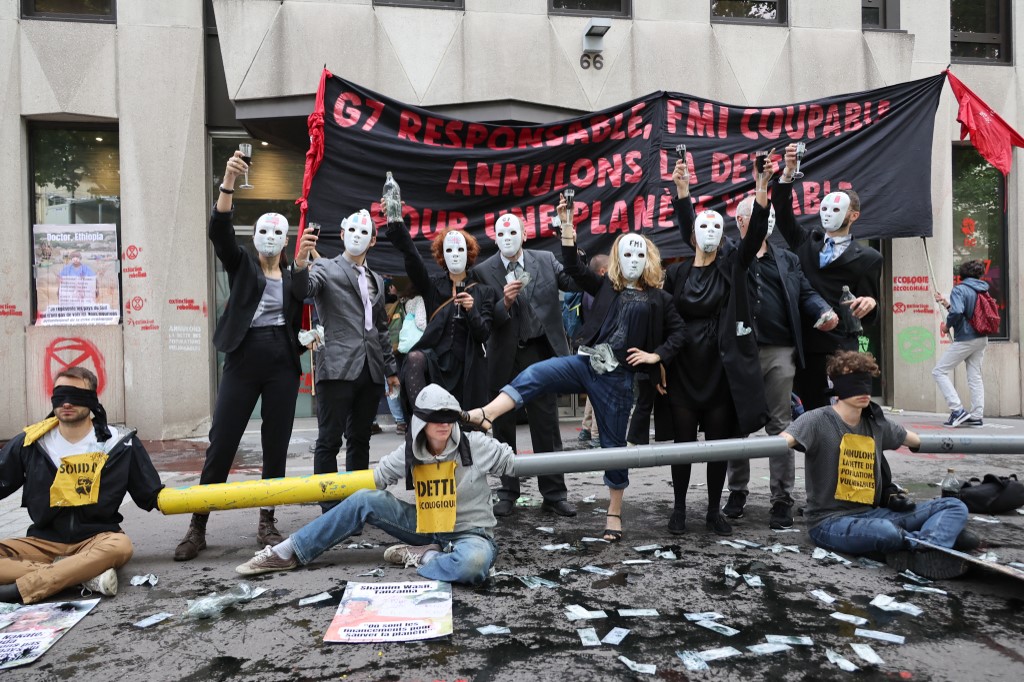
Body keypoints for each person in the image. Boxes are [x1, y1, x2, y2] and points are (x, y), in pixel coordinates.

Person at [463, 196, 685, 542]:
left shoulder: (659, 298)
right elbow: (576, 269)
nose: (632, 260)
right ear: (616, 258)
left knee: (612, 447)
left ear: (649, 259)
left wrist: (656, 356)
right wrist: (567, 227)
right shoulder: (606, 287)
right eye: (626, 253)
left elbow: (679, 333)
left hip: (617, 379)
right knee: (537, 374)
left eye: (639, 254)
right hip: (586, 361)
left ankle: (613, 513)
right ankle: (487, 414)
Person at [235, 384, 516, 586]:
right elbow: (378, 478)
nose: (444, 425)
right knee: (364, 499)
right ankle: (289, 551)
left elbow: (511, 462)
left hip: (470, 533)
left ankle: (427, 557)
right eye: (436, 417)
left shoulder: (476, 445)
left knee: (474, 564)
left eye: (449, 417)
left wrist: (506, 451)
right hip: (427, 524)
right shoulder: (409, 450)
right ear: (420, 421)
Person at [174, 153, 306, 561]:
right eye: (262, 231)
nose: (269, 237)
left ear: (285, 240)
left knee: (276, 443)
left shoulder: (292, 276)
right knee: (223, 441)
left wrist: (308, 335)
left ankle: (267, 520)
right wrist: (229, 181)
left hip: (283, 362)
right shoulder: (242, 265)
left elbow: (308, 303)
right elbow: (219, 232)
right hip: (243, 358)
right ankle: (198, 524)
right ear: (255, 239)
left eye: (276, 232)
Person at [781, 351, 971, 579]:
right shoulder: (816, 420)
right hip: (828, 522)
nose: (862, 390)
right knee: (886, 533)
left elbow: (917, 441)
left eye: (866, 380)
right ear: (838, 385)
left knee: (953, 505)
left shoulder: (877, 423)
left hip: (874, 514)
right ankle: (934, 541)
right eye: (854, 381)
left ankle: (925, 549)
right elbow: (782, 441)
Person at [662, 157, 771, 537]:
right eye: (701, 226)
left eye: (716, 226)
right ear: (692, 235)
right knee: (682, 444)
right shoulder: (676, 273)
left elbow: (754, 236)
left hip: (721, 368)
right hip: (683, 368)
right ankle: (678, 509)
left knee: (718, 445)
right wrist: (682, 192)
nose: (709, 232)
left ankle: (712, 510)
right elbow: (664, 318)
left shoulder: (733, 267)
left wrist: (761, 188)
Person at [721, 194, 837, 530]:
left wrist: (823, 311)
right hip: (741, 352)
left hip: (780, 350)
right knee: (736, 426)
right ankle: (737, 492)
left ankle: (781, 500)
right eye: (759, 217)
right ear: (742, 222)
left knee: (781, 427)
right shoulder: (730, 255)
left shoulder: (786, 259)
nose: (766, 223)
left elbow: (805, 293)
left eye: (770, 217)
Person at [0, 367, 164, 604]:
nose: (66, 402)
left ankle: (27, 587)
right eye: (60, 394)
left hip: (97, 540)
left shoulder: (120, 443)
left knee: (122, 546)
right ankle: (82, 576)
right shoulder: (31, 442)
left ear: (92, 399)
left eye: (75, 395)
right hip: (43, 543)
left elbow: (150, 493)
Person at [474, 214, 580, 518]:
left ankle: (554, 493)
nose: (507, 237)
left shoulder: (545, 260)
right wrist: (502, 305)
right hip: (504, 355)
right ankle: (507, 491)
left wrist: (571, 242)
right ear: (494, 238)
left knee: (546, 425)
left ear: (524, 235)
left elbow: (572, 280)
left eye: (513, 232)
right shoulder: (483, 271)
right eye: (501, 233)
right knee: (503, 427)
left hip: (539, 350)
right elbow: (483, 321)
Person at [293, 208, 400, 509]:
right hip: (337, 367)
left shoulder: (377, 280)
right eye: (351, 230)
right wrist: (301, 261)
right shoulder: (325, 268)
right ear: (341, 235)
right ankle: (329, 508)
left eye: (363, 232)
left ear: (373, 241)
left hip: (370, 371)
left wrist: (390, 371)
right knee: (329, 440)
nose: (356, 236)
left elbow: (380, 330)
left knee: (360, 440)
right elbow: (303, 289)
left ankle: (355, 504)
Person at [772, 143, 882, 410]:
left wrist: (869, 303)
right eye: (825, 208)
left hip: (841, 347)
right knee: (809, 416)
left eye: (837, 210)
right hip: (805, 346)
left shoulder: (868, 258)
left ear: (853, 216)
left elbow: (869, 312)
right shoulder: (805, 240)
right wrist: (787, 173)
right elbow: (782, 210)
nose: (828, 214)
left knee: (844, 414)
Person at [382, 201, 497, 414]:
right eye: (450, 249)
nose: (455, 254)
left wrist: (472, 310)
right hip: (436, 363)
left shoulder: (484, 292)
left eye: (460, 249)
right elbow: (413, 259)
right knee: (414, 359)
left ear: (469, 253)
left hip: (468, 368)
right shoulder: (433, 286)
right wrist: (396, 222)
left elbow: (483, 334)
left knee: (465, 427)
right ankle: (422, 420)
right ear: (442, 255)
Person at [932, 260, 989, 427]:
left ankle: (957, 410)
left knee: (939, 371)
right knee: (974, 375)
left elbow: (958, 312)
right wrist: (946, 303)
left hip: (966, 338)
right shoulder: (983, 289)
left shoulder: (959, 289)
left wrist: (946, 326)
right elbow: (965, 312)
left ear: (961, 274)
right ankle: (977, 415)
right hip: (981, 337)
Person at [577, 254, 609, 446]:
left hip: (589, 345)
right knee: (600, 389)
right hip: (600, 347)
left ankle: (586, 428)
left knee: (592, 389)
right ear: (603, 271)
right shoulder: (600, 292)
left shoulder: (586, 292)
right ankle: (596, 434)